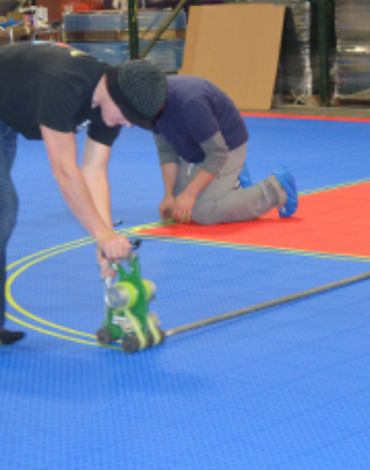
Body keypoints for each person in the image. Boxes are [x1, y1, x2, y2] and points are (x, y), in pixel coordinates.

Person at [0, 42, 167, 345]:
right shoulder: (62, 83)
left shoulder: (109, 103)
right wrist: (101, 235)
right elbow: (65, 170)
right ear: (115, 95)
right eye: (128, 115)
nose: (128, 124)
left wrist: (104, 238)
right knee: (3, 209)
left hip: (7, 114)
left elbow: (94, 171)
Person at [151, 75, 298, 225]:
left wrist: (190, 194)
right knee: (177, 206)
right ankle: (235, 181)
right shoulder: (150, 105)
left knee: (203, 212)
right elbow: (166, 151)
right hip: (200, 151)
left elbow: (217, 153)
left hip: (227, 148)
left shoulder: (191, 103)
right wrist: (168, 194)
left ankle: (276, 188)